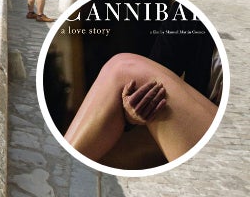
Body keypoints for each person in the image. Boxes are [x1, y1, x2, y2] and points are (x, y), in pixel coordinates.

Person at [63, 53, 219, 164]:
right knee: (124, 69)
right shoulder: (188, 18)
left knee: (124, 67)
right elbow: (156, 69)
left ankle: (60, 168)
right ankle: (60, 166)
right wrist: (130, 111)